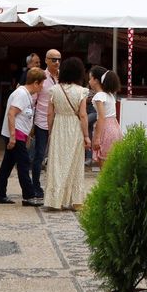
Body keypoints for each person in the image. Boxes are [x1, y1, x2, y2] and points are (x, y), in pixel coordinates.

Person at [44, 57, 92, 210]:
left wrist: (51, 130)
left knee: (57, 163)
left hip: (59, 126)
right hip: (74, 127)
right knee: (75, 163)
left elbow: (49, 114)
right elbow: (83, 115)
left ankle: (55, 200)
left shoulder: (54, 90)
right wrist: (86, 136)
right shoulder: (81, 91)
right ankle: (76, 200)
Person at [0, 67, 45, 205]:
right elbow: (12, 114)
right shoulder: (21, 94)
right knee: (23, 164)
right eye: (41, 84)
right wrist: (12, 137)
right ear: (35, 83)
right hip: (16, 134)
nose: (41, 88)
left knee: (8, 164)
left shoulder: (25, 94)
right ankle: (28, 195)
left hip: (19, 134)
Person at [31, 49, 61, 184]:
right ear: (46, 60)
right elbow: (33, 101)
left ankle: (53, 186)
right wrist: (30, 123)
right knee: (40, 155)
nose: (57, 62)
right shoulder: (41, 76)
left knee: (56, 156)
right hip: (42, 120)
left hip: (59, 122)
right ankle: (36, 185)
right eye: (54, 59)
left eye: (59, 59)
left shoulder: (63, 77)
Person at [92, 69, 124, 163]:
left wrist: (97, 138)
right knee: (111, 163)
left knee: (104, 165)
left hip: (105, 129)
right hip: (115, 128)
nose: (89, 81)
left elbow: (102, 117)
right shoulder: (110, 95)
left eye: (90, 79)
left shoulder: (99, 96)